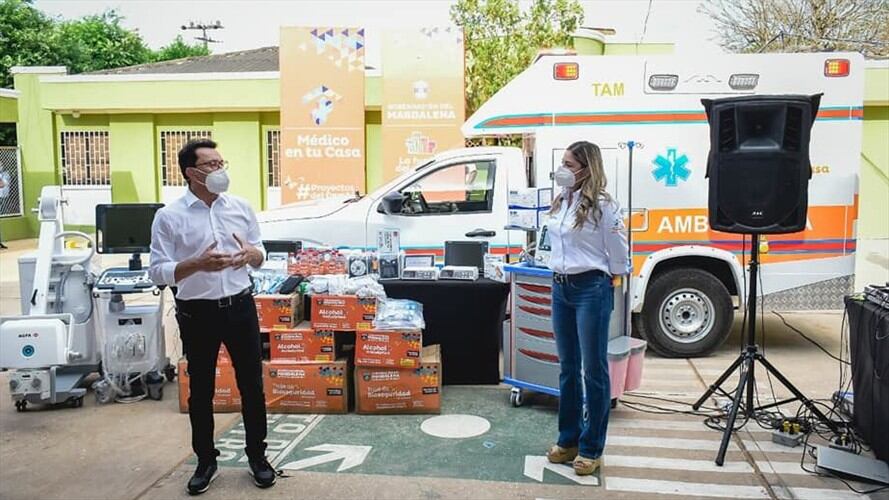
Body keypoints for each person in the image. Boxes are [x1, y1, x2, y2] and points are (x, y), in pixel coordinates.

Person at [149, 139, 277, 495]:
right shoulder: (169, 216)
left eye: (222, 163)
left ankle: (258, 457)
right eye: (211, 165)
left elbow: (260, 250)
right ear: (191, 173)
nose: (220, 170)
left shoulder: (240, 207)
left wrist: (251, 255)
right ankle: (206, 461)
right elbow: (157, 272)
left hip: (239, 307)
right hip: (197, 313)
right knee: (201, 390)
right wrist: (196, 264)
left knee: (252, 385)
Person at [544, 141, 630, 476]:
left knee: (593, 370)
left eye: (569, 163)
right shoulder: (563, 199)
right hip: (560, 287)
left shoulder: (603, 205)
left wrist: (617, 281)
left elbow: (618, 249)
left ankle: (592, 447)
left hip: (590, 288)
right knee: (567, 367)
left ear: (586, 168)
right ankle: (569, 440)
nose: (562, 169)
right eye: (562, 162)